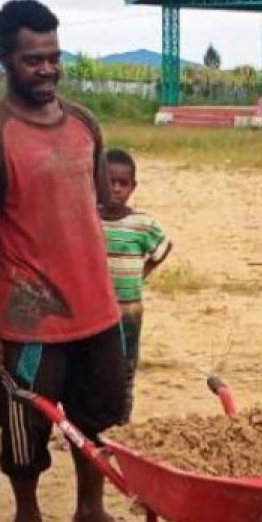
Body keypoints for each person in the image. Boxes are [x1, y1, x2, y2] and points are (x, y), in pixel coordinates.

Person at [0, 0, 140, 522]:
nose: (47, 69)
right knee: (25, 422)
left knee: (101, 413)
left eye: (54, 57)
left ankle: (91, 510)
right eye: (33, 59)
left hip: (97, 307)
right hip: (28, 316)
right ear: (5, 59)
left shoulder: (84, 122)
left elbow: (96, 206)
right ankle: (27, 517)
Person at [100, 148, 172, 422]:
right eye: (109, 182)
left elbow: (163, 247)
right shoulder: (89, 219)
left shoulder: (142, 224)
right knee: (94, 366)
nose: (116, 189)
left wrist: (140, 274)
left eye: (123, 183)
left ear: (133, 186)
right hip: (94, 311)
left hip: (128, 311)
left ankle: (121, 422)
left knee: (125, 368)